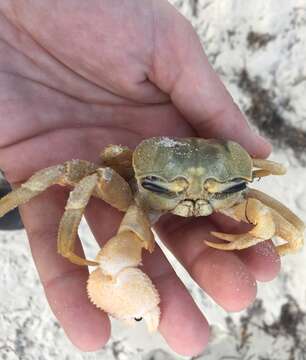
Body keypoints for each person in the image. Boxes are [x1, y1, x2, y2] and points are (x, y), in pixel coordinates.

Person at [0, 0, 280, 356]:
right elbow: (98, 167)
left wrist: (266, 231)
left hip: (203, 194)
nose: (193, 200)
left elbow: (282, 226)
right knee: (70, 176)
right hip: (147, 200)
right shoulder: (131, 178)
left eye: (220, 190)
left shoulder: (242, 193)